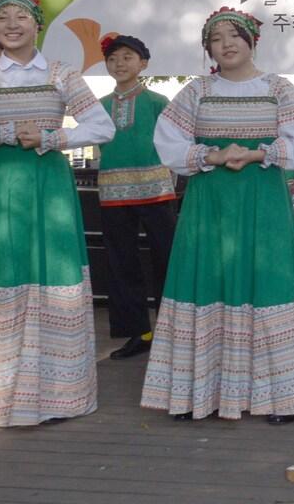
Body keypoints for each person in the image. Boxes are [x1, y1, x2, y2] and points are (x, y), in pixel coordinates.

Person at [142, 7, 294, 423]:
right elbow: (167, 140)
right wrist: (212, 154)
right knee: (210, 281)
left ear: (252, 41)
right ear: (208, 48)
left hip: (263, 202)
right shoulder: (197, 91)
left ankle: (280, 396)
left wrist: (259, 153)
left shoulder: (278, 88)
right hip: (211, 205)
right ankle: (199, 393)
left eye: (234, 35)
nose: (226, 44)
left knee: (268, 283)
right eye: (216, 38)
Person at [0, 0, 115, 427]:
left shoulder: (62, 75)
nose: (11, 25)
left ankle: (60, 396)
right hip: (2, 188)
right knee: (7, 278)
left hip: (50, 187)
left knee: (53, 278)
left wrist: (52, 138)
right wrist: (1, 132)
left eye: (21, 17)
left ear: (37, 24)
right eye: (3, 19)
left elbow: (102, 126)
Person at [97, 35, 178, 360]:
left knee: (166, 258)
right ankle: (138, 332)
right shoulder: (99, 106)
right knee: (121, 262)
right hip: (113, 193)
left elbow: (175, 141)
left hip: (156, 190)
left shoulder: (159, 102)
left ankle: (172, 328)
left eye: (127, 57)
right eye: (113, 59)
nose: (120, 64)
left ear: (143, 63)